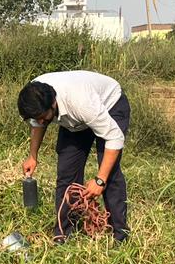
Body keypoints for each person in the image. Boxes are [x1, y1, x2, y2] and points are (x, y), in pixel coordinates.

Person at [17, 70, 131, 243]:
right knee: (66, 174)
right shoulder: (34, 97)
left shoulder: (80, 102)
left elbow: (114, 138)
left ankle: (120, 235)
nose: (40, 122)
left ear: (53, 104)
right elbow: (37, 124)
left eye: (42, 118)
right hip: (76, 121)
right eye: (35, 118)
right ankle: (64, 233)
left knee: (110, 173)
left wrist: (100, 180)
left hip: (109, 105)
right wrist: (33, 156)